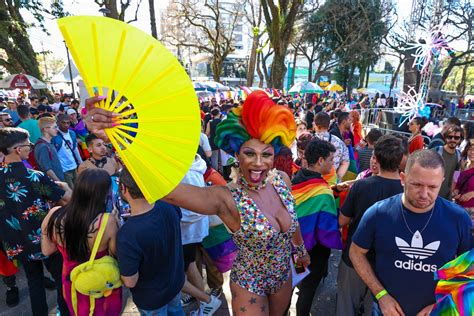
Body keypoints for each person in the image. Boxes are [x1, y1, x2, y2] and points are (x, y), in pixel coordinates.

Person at [83, 91, 310, 315]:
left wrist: (300, 250)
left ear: (274, 156)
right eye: (249, 153)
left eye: (266, 155)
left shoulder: (282, 181)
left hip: (283, 274)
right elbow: (165, 191)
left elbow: (293, 220)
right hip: (250, 283)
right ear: (236, 155)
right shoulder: (225, 198)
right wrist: (120, 142)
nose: (258, 163)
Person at [350, 150, 472, 316]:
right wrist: (381, 295)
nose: (424, 194)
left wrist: (444, 302)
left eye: (432, 187)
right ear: (403, 179)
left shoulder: (458, 218)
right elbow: (356, 252)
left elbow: (469, 268)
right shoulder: (378, 213)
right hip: (385, 311)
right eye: (417, 185)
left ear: (442, 182)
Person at [0, 127, 71, 316]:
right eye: (27, 145)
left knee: (34, 282)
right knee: (60, 279)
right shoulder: (34, 176)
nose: (30, 148)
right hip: (44, 240)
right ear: (17, 149)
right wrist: (64, 187)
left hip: (17, 243)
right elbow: (66, 198)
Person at [337, 135, 405, 316]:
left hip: (354, 260)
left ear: (377, 157)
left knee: (346, 307)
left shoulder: (361, 186)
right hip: (387, 265)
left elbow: (342, 220)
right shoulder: (407, 192)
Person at [41, 169, 122, 315]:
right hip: (102, 281)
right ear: (104, 194)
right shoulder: (107, 221)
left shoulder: (55, 214)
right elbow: (115, 253)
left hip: (72, 280)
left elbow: (47, 251)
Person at [116, 167, 186, 315]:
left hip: (152, 299)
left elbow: (130, 281)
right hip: (175, 284)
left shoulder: (127, 235)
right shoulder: (168, 205)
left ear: (123, 187)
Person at [292, 139, 343, 315]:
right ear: (320, 161)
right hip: (315, 253)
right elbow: (326, 230)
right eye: (331, 159)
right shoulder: (323, 192)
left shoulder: (296, 179)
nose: (333, 163)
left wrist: (334, 190)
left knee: (292, 280)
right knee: (308, 288)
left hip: (294, 246)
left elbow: (306, 204)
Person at [313, 112, 350, 183]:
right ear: (329, 125)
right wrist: (338, 178)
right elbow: (345, 162)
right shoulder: (339, 142)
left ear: (315, 125)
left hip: (312, 182)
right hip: (331, 181)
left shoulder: (309, 140)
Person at [432, 125, 463, 200]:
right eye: (450, 137)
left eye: (456, 138)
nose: (453, 139)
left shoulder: (459, 155)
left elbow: (455, 177)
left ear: (460, 140)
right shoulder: (436, 151)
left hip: (446, 198)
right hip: (431, 195)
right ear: (445, 138)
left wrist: (452, 192)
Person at [52, 114, 83, 188]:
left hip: (74, 166)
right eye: (63, 122)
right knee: (71, 190)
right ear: (58, 122)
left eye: (68, 123)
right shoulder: (54, 135)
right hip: (64, 169)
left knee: (78, 188)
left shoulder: (72, 133)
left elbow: (75, 148)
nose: (66, 125)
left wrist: (80, 162)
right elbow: (54, 154)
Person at [34, 117, 65, 182]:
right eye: (54, 127)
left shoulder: (49, 142)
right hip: (56, 184)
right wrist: (60, 183)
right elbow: (47, 169)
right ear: (46, 129)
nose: (57, 129)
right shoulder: (42, 146)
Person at [453, 140, 474, 221]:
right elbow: (455, 184)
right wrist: (455, 192)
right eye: (470, 149)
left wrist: (472, 194)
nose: (472, 152)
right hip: (458, 208)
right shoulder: (462, 165)